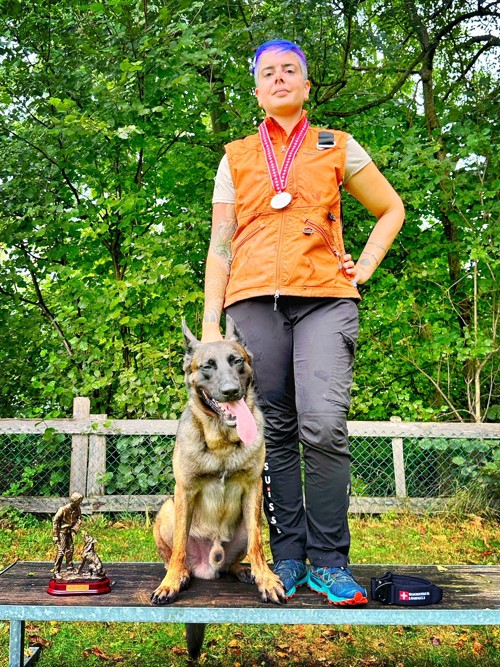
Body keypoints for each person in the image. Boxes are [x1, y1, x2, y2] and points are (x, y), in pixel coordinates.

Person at [201, 39, 404, 605]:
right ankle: (287, 557)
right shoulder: (237, 155)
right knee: (274, 431)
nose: (281, 77)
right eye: (269, 72)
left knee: (322, 424)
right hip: (251, 302)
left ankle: (331, 561)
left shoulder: (337, 145)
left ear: (307, 85)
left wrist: (362, 267)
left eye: (291, 69)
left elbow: (392, 209)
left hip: (324, 298)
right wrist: (211, 322)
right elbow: (220, 246)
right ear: (257, 90)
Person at [52, 492, 84, 577]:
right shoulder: (63, 509)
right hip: (62, 532)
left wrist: (78, 523)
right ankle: (56, 571)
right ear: (74, 501)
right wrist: (55, 535)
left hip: (69, 532)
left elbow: (79, 517)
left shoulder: (77, 508)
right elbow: (55, 521)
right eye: (79, 502)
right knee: (61, 551)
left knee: (70, 549)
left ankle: (70, 568)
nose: (80, 503)